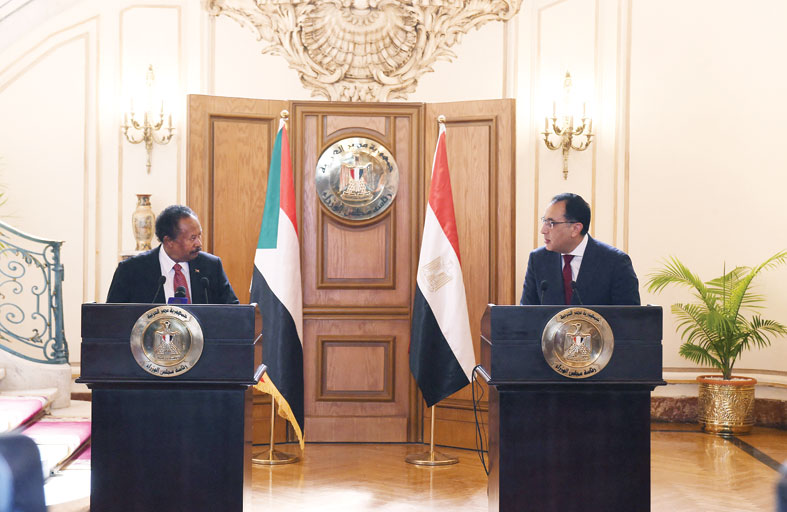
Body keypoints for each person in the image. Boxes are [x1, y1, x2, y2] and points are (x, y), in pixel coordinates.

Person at [520, 192, 639, 306]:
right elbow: (525, 314)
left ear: (575, 229)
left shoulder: (615, 262)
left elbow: (629, 316)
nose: (543, 230)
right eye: (544, 221)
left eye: (551, 223)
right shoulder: (538, 259)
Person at [107, 204, 239, 304]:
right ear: (169, 241)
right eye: (192, 238)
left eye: (199, 236)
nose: (199, 243)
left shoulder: (211, 266)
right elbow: (113, 318)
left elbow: (233, 312)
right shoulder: (131, 270)